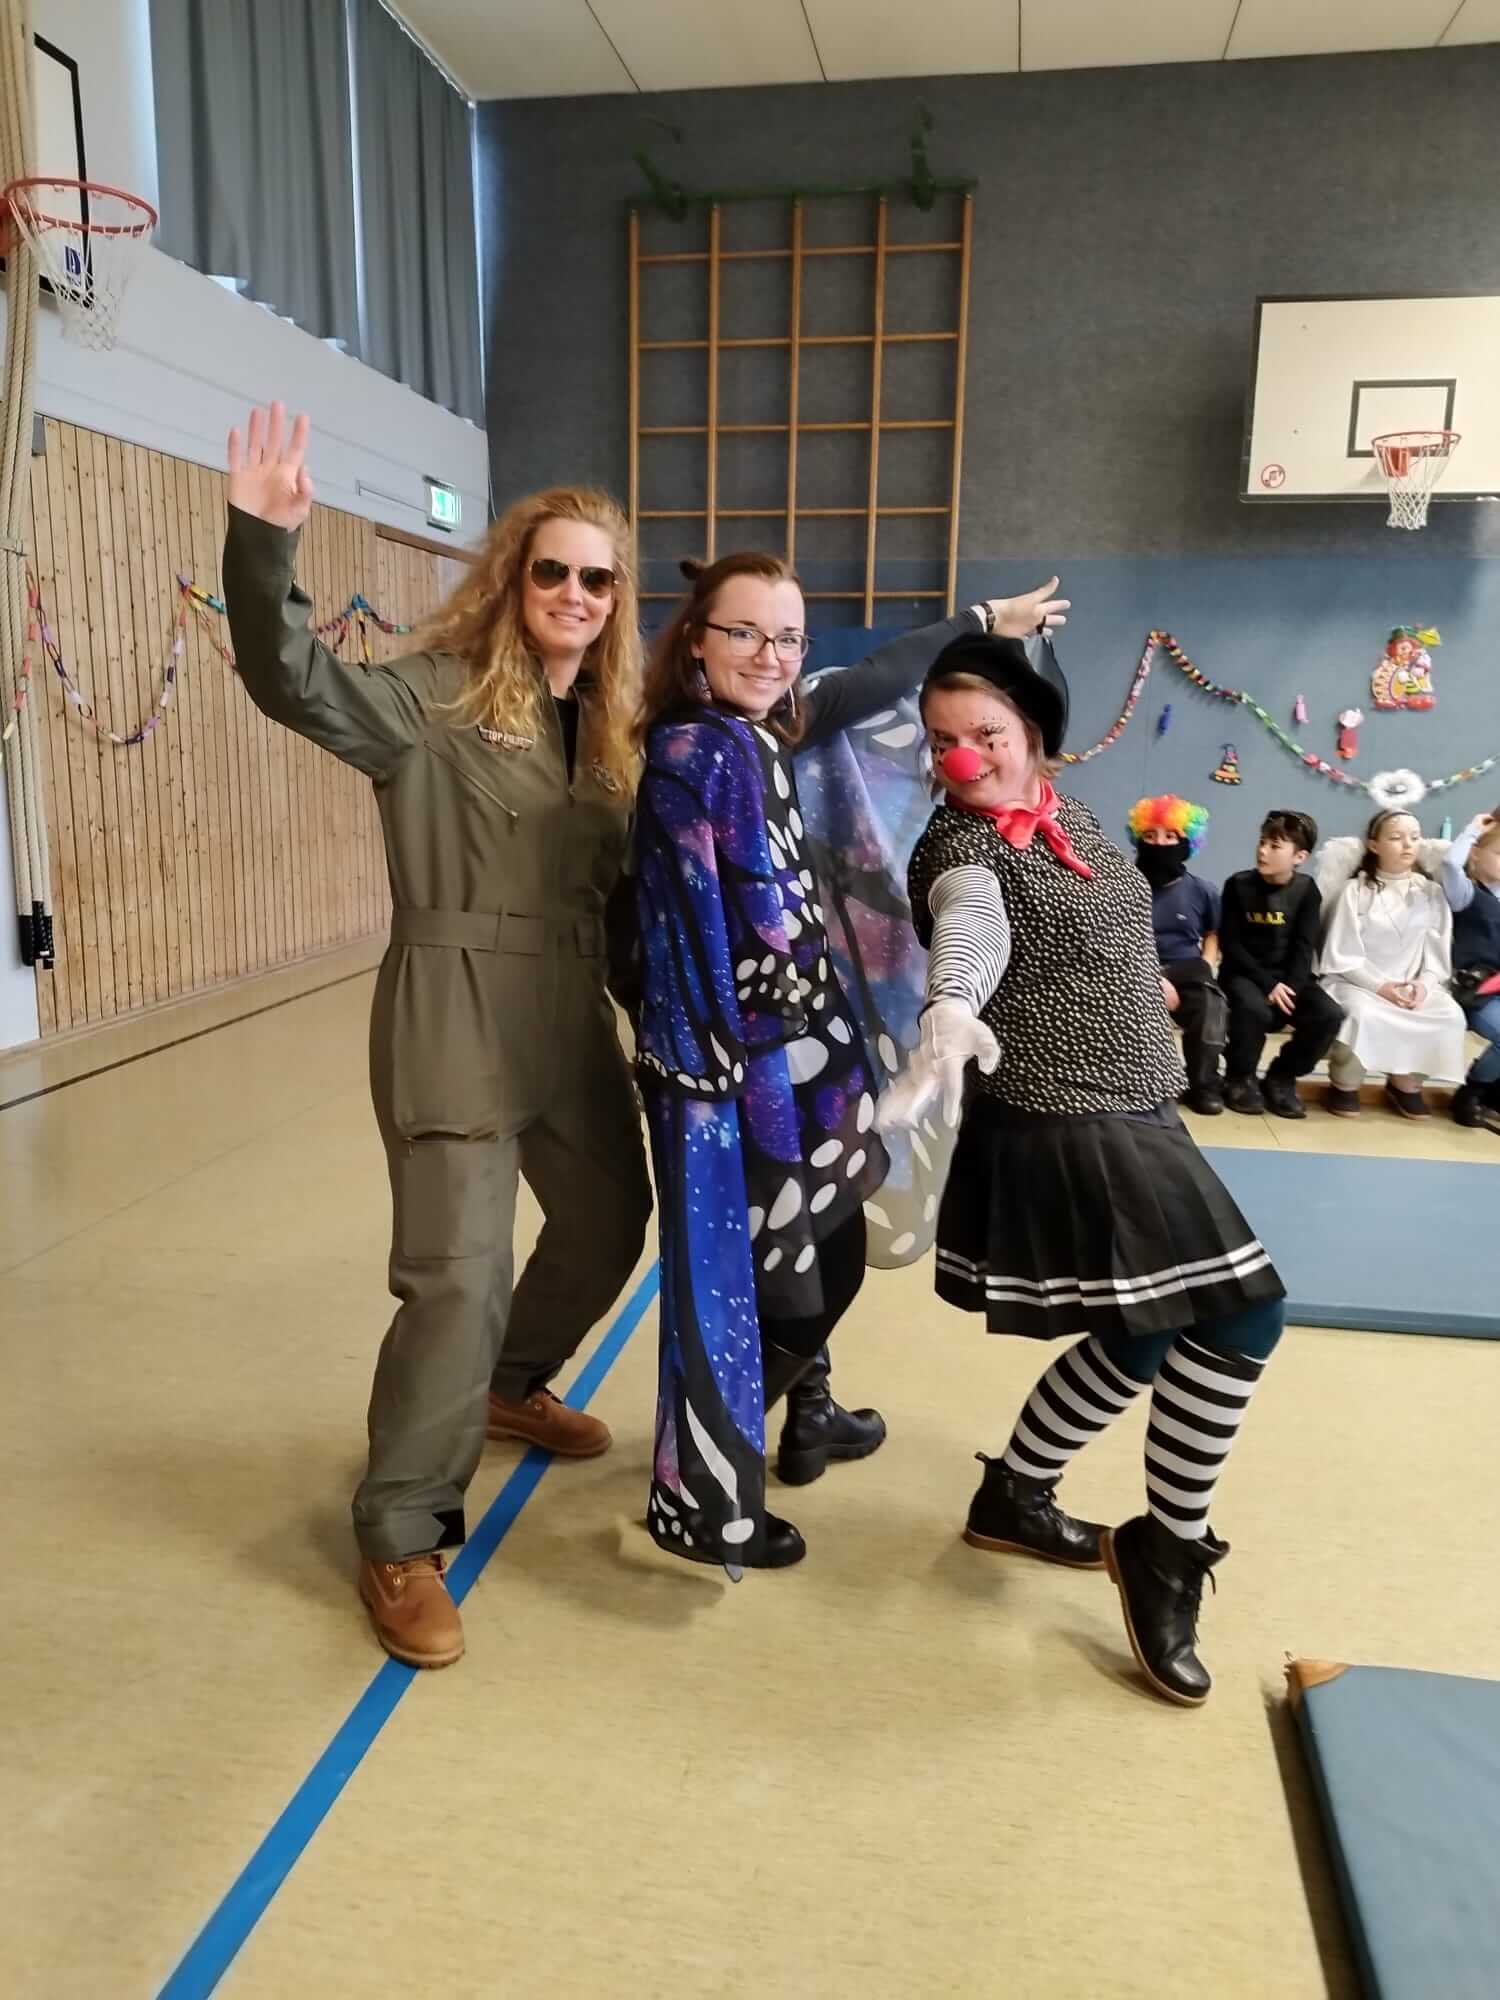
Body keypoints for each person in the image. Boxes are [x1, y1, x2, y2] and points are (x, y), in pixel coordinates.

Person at [222, 403, 652, 1668]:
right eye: (553, 570)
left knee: (610, 1220)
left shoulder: (614, 740)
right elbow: (290, 677)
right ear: (515, 576)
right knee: (458, 1275)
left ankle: (511, 1381)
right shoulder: (431, 699)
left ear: (618, 600)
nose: (574, 594)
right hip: (454, 1007)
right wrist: (263, 540)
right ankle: (401, 1527)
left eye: (597, 579)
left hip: (571, 1013)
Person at [633, 556, 1068, 1572]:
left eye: (788, 638)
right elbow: (690, 937)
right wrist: (729, 1078)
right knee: (766, 1283)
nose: (770, 656)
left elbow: (877, 676)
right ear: (696, 637)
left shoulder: (766, 728)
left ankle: (794, 1417)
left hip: (801, 1057)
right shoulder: (695, 751)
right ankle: (702, 1485)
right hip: (744, 1073)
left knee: (823, 1247)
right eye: (745, 632)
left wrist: (983, 618)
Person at [879, 634, 1285, 1706]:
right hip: (1072, 1116)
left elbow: (1101, 926)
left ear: (1035, 734)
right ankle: (1166, 1549)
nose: (964, 759)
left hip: (1141, 1099)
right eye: (943, 741)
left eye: (985, 734)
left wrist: (1149, 981)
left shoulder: (1081, 818)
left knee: (1147, 1328)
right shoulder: (958, 847)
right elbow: (972, 924)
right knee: (1245, 1313)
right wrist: (951, 1005)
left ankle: (1014, 1495)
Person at [1318, 809, 1469, 1120]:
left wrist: (1423, 985)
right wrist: (1381, 987)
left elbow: (1437, 956)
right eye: (1397, 838)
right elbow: (1342, 956)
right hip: (1358, 983)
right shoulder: (1354, 891)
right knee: (1361, 1014)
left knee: (1450, 1015)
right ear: (1374, 845)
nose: (1408, 845)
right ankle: (1345, 1084)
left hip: (1412, 985)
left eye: (1414, 837)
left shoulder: (1432, 893)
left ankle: (1406, 1083)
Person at [1219, 809, 1343, 1120]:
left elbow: (1303, 947)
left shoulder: (1306, 891)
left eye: (1275, 846)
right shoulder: (1237, 885)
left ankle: (1281, 1076)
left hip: (1288, 978)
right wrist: (1269, 985)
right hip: (1245, 974)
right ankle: (1240, 1078)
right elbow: (1231, 946)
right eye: (1262, 842)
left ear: (1299, 856)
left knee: (1328, 1014)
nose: (1263, 851)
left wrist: (1290, 987)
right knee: (1253, 1010)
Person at [1128, 794, 1226, 1115]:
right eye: (1150, 835)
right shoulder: (1122, 886)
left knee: (1211, 1005)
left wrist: (1206, 966)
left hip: (1188, 970)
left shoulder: (1203, 890)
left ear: (1187, 843)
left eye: (1171, 836)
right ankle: (1145, 1082)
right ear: (1138, 839)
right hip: (1134, 970)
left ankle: (1203, 1083)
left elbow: (1213, 933)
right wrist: (1155, 979)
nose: (1160, 843)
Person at [1441, 813, 1500, 1132]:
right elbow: (1450, 864)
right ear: (1476, 853)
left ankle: (1493, 1093)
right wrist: (1473, 831)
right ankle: (1473, 1090)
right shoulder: (1467, 894)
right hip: (1477, 992)